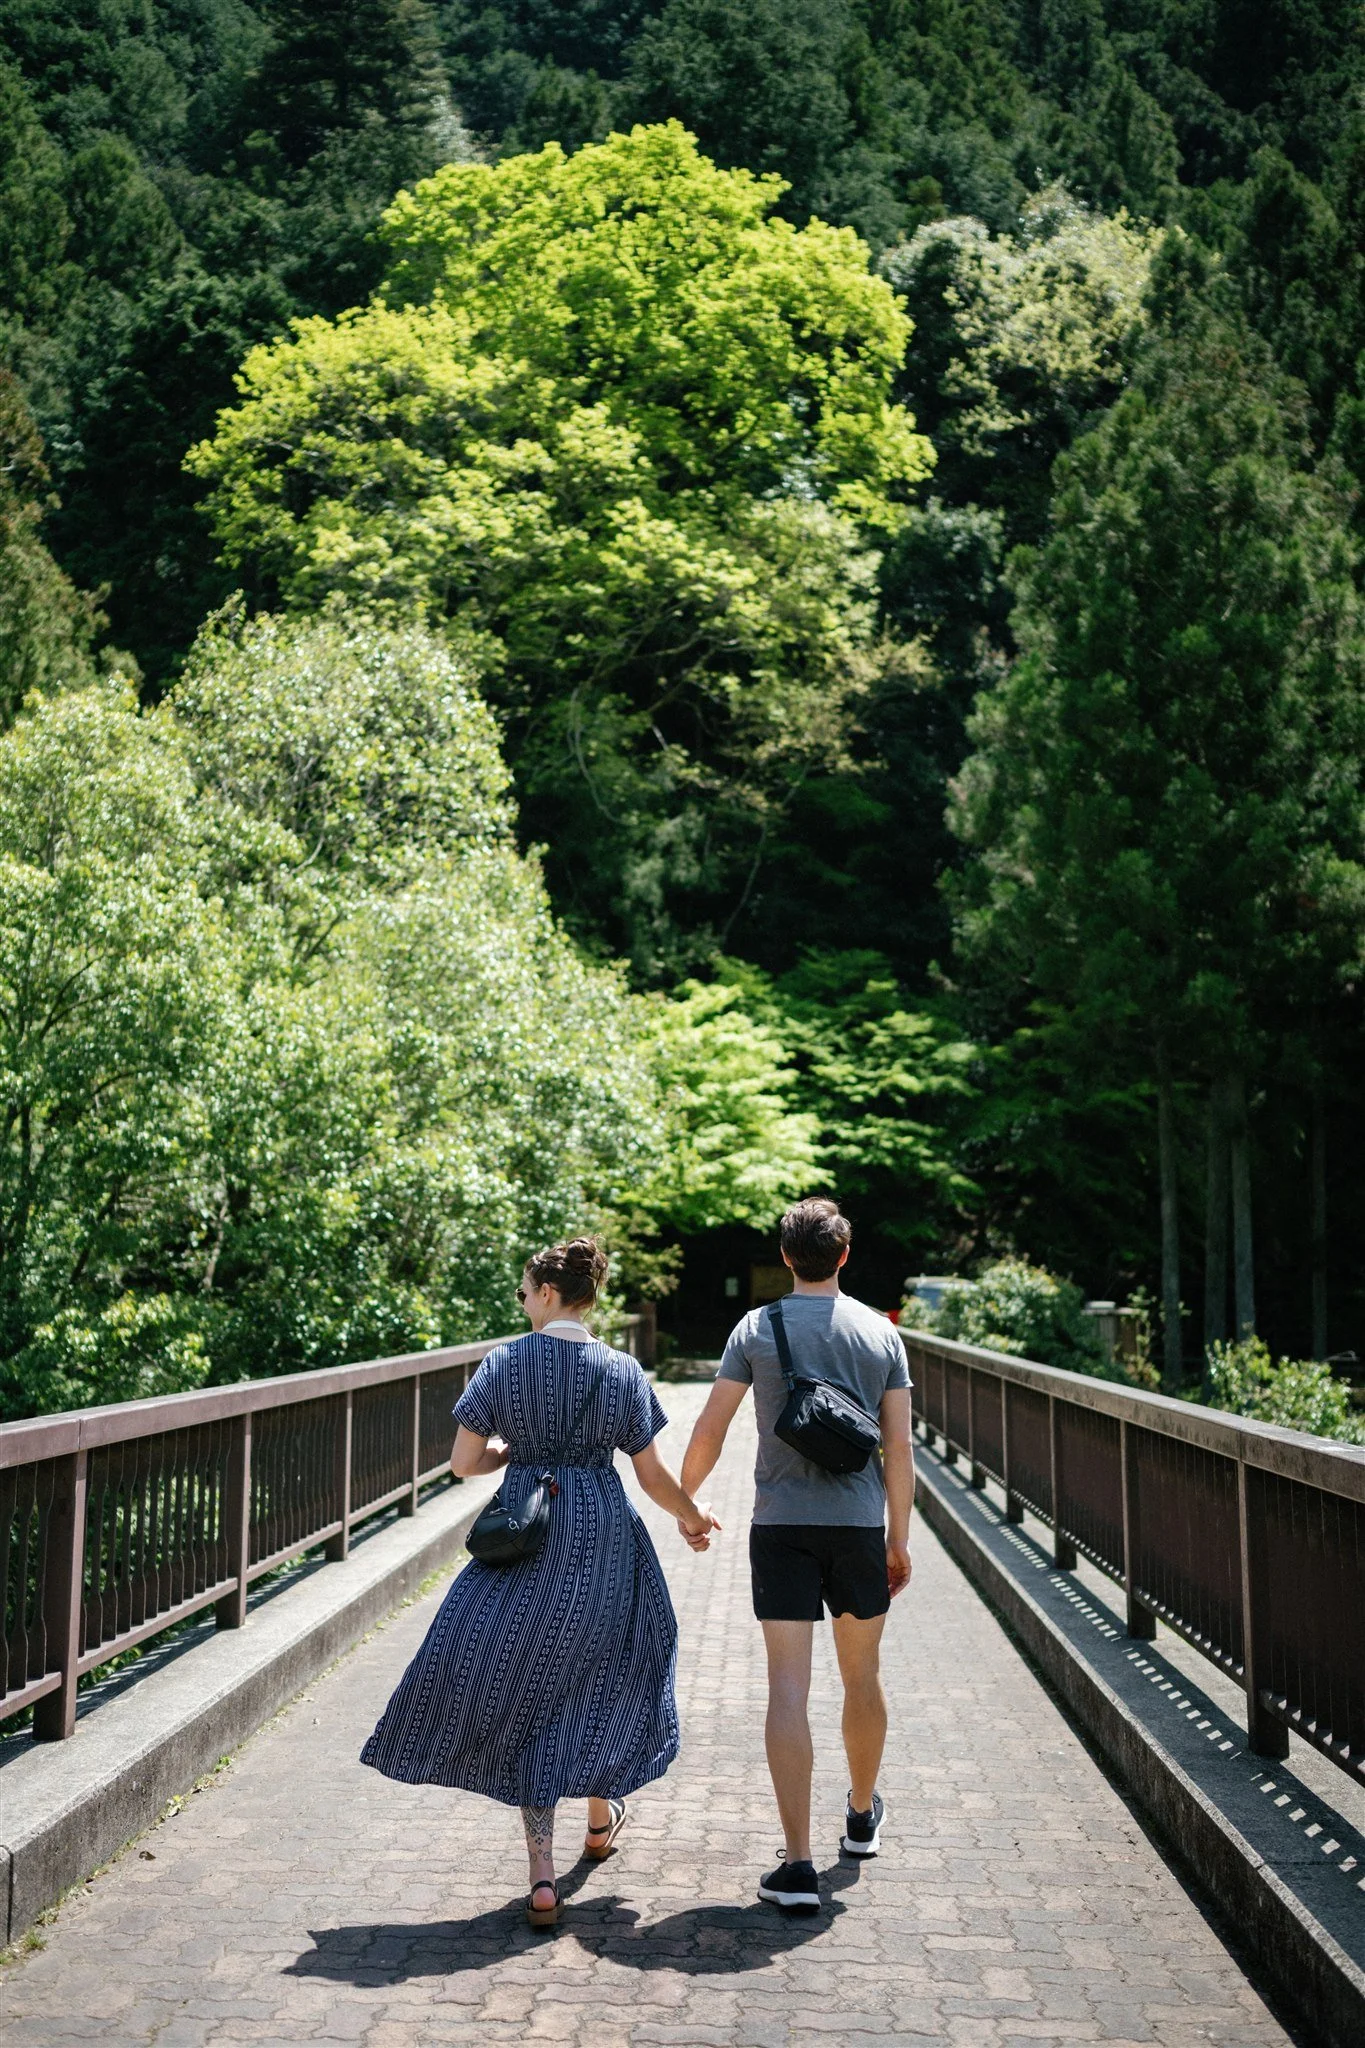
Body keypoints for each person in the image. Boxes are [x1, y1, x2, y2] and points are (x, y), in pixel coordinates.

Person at [360, 1236, 717, 1928]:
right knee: (606, 1672)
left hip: (529, 1533)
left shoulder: (504, 1363)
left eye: (524, 1292)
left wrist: (509, 1448)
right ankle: (599, 1821)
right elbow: (649, 1477)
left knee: (531, 1684)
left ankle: (542, 1874)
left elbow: (466, 1462)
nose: (521, 1302)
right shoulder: (621, 1371)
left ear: (549, 1295)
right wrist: (695, 1517)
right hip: (605, 1536)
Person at [679, 1197, 913, 1912]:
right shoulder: (880, 1333)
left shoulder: (756, 1326)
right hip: (855, 1528)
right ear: (843, 1255)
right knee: (861, 1677)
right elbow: (898, 1447)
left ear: (785, 1257)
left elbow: (712, 1425)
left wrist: (687, 1503)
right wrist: (897, 1537)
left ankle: (798, 1865)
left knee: (788, 1687)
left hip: (779, 1525)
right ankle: (861, 1813)